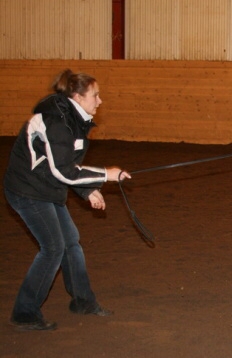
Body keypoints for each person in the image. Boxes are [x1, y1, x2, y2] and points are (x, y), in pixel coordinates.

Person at [4, 69, 131, 331]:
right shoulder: (57, 122)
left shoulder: (74, 118)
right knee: (53, 248)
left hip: (46, 187)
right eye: (95, 96)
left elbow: (66, 165)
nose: (100, 101)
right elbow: (63, 170)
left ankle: (82, 301)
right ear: (77, 96)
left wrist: (87, 190)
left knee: (71, 242)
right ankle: (25, 312)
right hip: (27, 191)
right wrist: (106, 175)